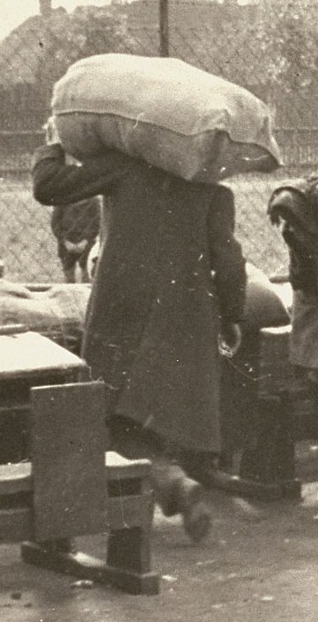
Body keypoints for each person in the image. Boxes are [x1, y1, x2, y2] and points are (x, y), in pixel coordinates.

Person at [32, 139, 247, 541]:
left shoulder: (125, 168)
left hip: (122, 312)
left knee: (114, 413)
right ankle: (171, 481)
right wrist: (232, 314)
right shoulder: (213, 188)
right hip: (187, 318)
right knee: (162, 412)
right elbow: (229, 261)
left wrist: (54, 144)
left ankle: (168, 485)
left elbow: (48, 187)